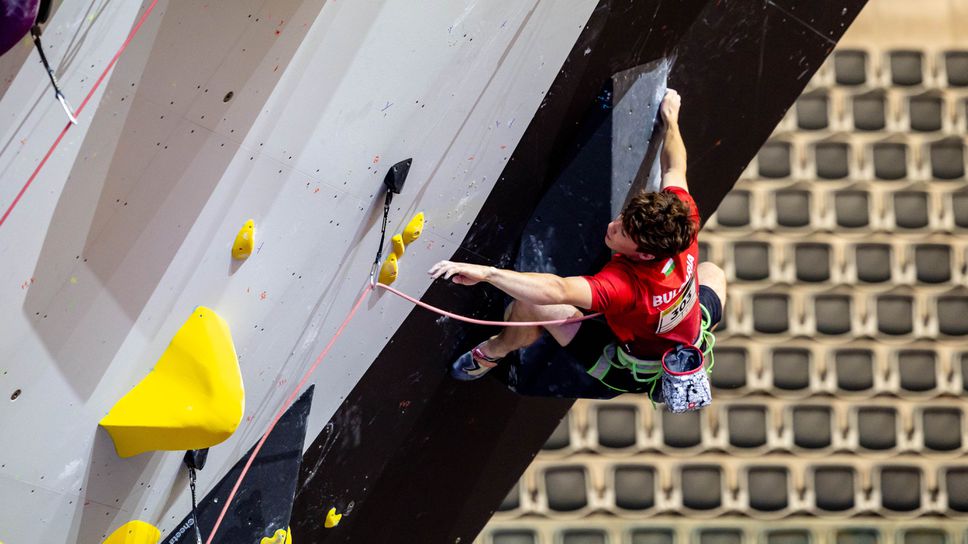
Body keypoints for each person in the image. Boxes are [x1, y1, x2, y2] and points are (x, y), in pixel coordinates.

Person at [428, 89, 726, 402]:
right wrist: (671, 121)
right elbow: (674, 169)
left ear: (646, 254)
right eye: (623, 218)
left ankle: (495, 349)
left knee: (533, 306)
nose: (613, 226)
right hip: (680, 328)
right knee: (712, 272)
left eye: (623, 232)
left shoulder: (625, 287)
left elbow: (555, 290)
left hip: (627, 366)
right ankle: (669, 335)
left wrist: (487, 273)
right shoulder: (681, 215)